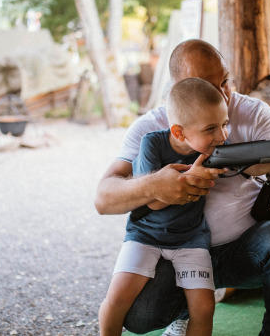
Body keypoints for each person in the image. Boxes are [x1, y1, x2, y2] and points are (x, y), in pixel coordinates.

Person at [95, 39, 270, 336]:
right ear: (177, 90)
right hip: (174, 250)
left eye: (224, 81)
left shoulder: (256, 114)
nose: (221, 95)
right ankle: (182, 311)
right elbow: (104, 199)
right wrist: (157, 184)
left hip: (244, 249)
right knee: (138, 315)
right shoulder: (150, 130)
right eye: (205, 85)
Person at [98, 77, 229, 336]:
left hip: (191, 239)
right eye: (211, 128)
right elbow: (154, 202)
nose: (222, 136)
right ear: (180, 132)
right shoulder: (152, 144)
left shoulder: (214, 150)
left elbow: (252, 163)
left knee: (204, 308)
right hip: (145, 235)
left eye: (225, 125)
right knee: (118, 296)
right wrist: (191, 176)